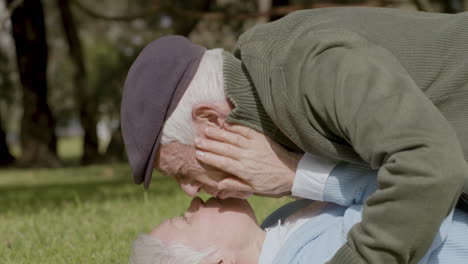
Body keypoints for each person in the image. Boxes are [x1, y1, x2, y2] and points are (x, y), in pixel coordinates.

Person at [121, 7, 468, 264]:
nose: (190, 192)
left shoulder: (304, 66)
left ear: (211, 121)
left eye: (183, 171)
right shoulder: (280, 94)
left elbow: (430, 168)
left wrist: (295, 174)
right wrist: (294, 174)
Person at [130, 168, 468, 264]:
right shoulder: (317, 259)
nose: (194, 204)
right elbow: (409, 197)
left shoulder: (279, 227)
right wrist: (296, 174)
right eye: (186, 219)